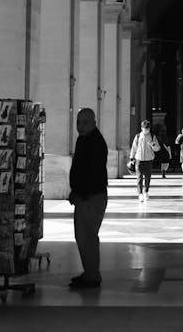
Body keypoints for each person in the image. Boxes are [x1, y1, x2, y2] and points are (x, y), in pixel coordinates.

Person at [68, 108, 108, 288]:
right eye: (78, 122)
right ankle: (90, 272)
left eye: (84, 122)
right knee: (82, 236)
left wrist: (80, 192)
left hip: (91, 197)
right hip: (84, 196)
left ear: (94, 123)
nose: (80, 126)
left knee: (88, 237)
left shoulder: (96, 143)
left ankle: (92, 275)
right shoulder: (83, 140)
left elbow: (92, 173)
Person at [130, 120, 160, 202]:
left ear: (149, 129)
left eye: (147, 129)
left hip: (149, 160)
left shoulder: (152, 136)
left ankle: (146, 191)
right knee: (139, 178)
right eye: (144, 129)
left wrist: (152, 144)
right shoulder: (138, 136)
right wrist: (131, 157)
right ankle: (140, 194)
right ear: (141, 128)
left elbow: (157, 148)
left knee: (147, 177)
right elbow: (134, 147)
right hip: (139, 160)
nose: (146, 130)